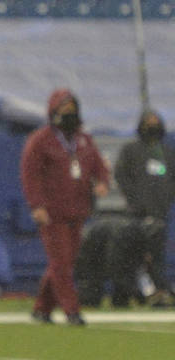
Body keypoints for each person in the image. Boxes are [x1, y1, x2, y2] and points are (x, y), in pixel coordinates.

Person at [20, 88, 110, 325]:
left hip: (78, 209)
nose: (69, 115)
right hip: (52, 212)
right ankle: (72, 310)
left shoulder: (83, 140)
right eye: (64, 110)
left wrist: (102, 182)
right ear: (53, 112)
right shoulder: (41, 140)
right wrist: (37, 205)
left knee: (65, 262)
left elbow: (99, 166)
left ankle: (42, 308)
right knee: (61, 263)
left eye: (72, 110)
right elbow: (31, 176)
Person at [113, 109, 175, 307]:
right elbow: (121, 176)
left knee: (156, 256)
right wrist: (136, 200)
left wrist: (166, 199)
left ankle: (157, 293)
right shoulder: (131, 151)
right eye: (149, 122)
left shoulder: (166, 152)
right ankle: (129, 292)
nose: (153, 125)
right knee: (134, 255)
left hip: (160, 213)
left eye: (156, 121)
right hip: (136, 215)